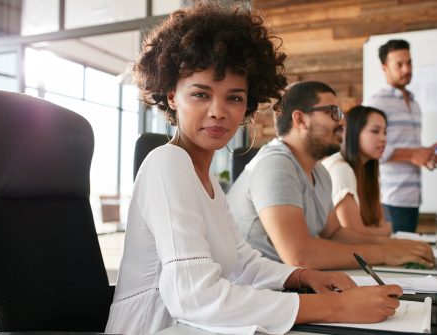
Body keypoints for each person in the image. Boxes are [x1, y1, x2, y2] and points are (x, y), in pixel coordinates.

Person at [105, 4, 403, 335]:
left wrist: (301, 276)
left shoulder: (206, 180)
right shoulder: (167, 163)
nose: (218, 111)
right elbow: (193, 296)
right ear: (173, 96)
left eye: (234, 98)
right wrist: (337, 306)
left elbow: (242, 261)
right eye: (201, 94)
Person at [227, 80, 435, 271]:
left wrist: (395, 245)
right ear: (300, 119)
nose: (343, 123)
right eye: (333, 112)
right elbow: (300, 256)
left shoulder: (320, 172)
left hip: (286, 287)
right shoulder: (275, 165)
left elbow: (336, 234)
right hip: (254, 294)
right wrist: (385, 253)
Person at [363, 39, 437, 233]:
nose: (406, 69)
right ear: (385, 68)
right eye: (399, 64)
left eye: (409, 62)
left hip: (413, 198)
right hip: (390, 200)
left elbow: (410, 150)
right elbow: (368, 149)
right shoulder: (377, 103)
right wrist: (411, 155)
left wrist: (429, 153)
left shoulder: (415, 104)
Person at [322, 105, 393, 237]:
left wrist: (381, 229)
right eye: (375, 131)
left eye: (385, 132)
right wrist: (386, 231)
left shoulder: (367, 169)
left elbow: (378, 221)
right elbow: (353, 234)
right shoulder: (340, 168)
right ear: (353, 133)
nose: (383, 139)